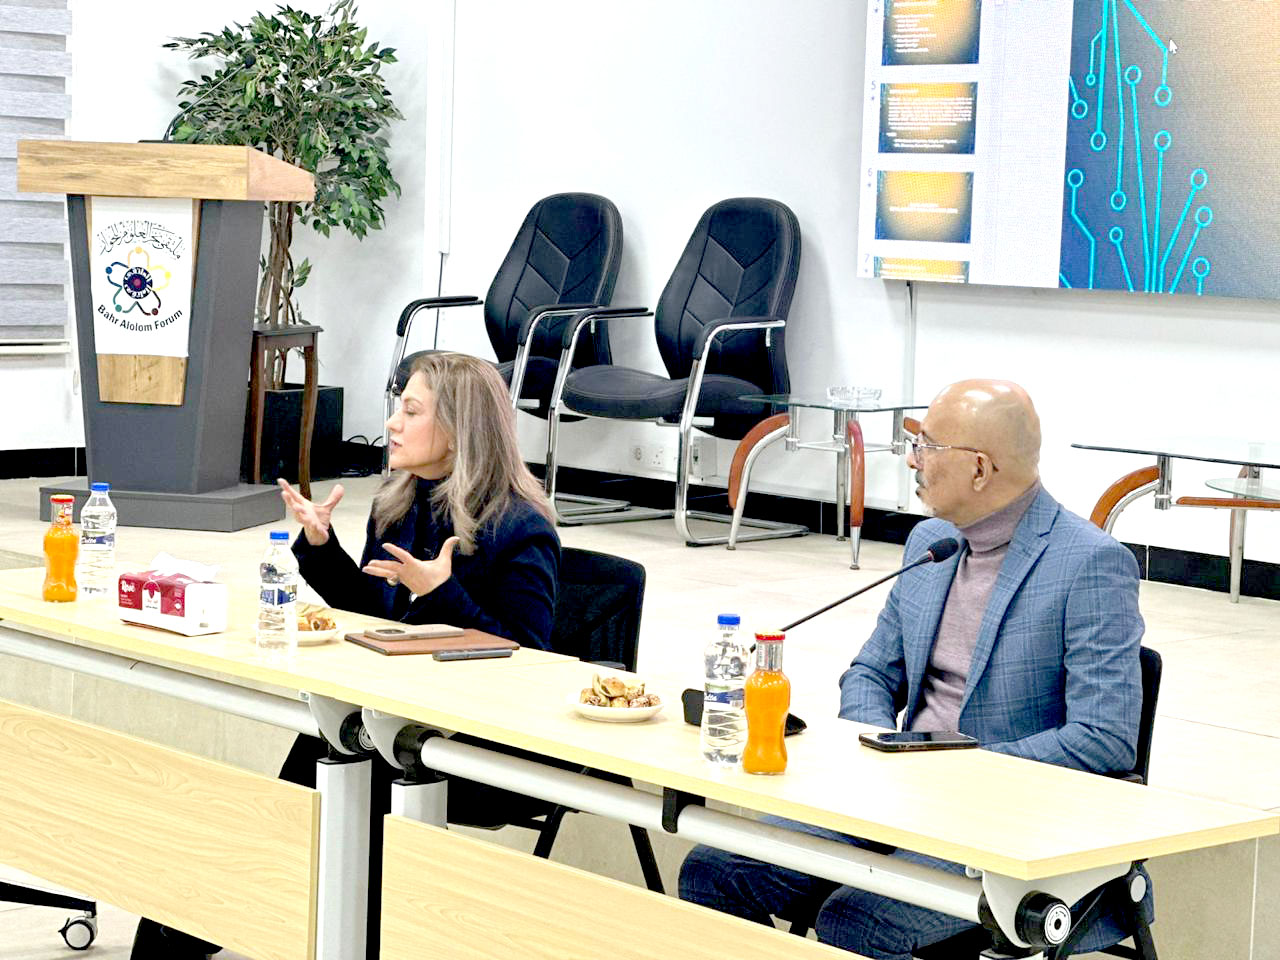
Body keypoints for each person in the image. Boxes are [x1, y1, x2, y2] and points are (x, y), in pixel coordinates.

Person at [679, 379, 1150, 959]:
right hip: (899, 802)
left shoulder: (1090, 563)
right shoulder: (932, 541)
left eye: (926, 446)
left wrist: (960, 773)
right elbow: (870, 674)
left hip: (1010, 826)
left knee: (856, 920)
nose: (912, 459)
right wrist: (881, 745)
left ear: (979, 469)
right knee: (715, 870)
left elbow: (1104, 737)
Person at [130, 352, 560, 960]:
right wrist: (321, 546)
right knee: (316, 773)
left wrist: (442, 593)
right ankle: (205, 911)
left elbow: (532, 661)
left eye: (411, 411)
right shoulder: (399, 503)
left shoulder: (520, 526)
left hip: (473, 741)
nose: (391, 424)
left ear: (458, 428)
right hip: (395, 717)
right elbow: (373, 610)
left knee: (333, 777)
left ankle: (226, 914)